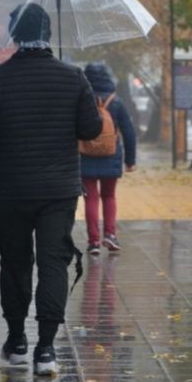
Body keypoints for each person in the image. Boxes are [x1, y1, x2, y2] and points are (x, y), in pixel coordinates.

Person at [0, 3, 102, 376]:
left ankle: (17, 340)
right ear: (48, 34)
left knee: (15, 263)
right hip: (59, 191)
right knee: (53, 263)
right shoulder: (73, 78)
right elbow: (91, 130)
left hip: (11, 191)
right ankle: (46, 350)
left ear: (15, 35)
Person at [80, 63, 137, 255]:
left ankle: (94, 241)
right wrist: (130, 160)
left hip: (85, 155)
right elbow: (129, 132)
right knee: (109, 196)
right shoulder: (116, 102)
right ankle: (110, 235)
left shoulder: (82, 100)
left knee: (91, 198)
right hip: (111, 155)